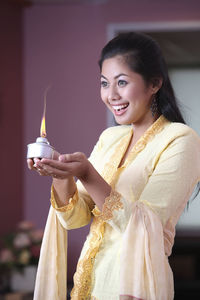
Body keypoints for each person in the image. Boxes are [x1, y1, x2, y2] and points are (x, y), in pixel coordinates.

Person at [27, 32, 200, 300]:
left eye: (122, 82)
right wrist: (61, 175)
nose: (111, 95)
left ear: (154, 83)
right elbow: (76, 219)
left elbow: (144, 227)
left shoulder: (180, 140)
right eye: (104, 83)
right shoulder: (111, 138)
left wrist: (86, 173)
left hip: (133, 289)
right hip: (88, 287)